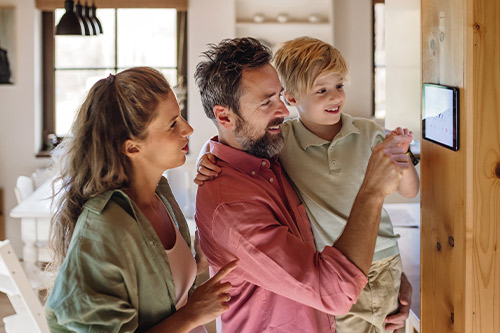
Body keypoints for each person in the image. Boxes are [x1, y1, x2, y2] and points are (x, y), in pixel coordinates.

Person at [193, 37, 412, 332]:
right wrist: (372, 191)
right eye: (267, 102)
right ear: (224, 116)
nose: (283, 110)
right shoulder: (232, 206)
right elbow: (333, 291)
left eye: (279, 96)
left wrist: (390, 272)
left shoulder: (266, 153)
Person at [45, 67, 237, 332]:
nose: (188, 129)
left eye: (180, 116)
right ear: (132, 147)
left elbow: (165, 293)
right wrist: (192, 314)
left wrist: (198, 262)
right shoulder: (103, 228)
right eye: (172, 124)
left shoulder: (161, 195)